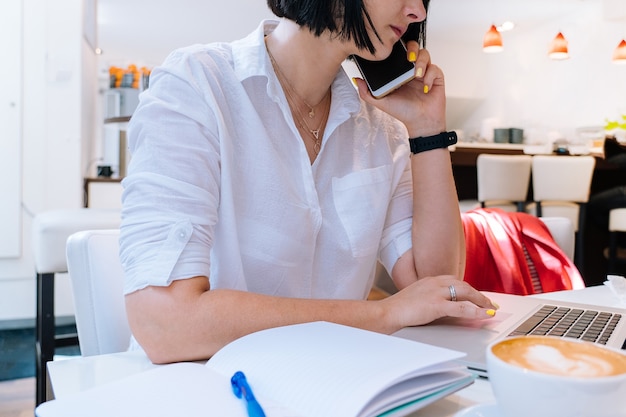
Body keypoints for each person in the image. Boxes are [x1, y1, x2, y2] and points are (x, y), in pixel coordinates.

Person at [120, 0, 498, 364]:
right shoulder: (197, 85)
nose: (419, 10)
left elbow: (434, 287)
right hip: (201, 384)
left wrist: (427, 130)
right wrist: (383, 315)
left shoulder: (382, 128)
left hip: (331, 383)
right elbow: (164, 322)